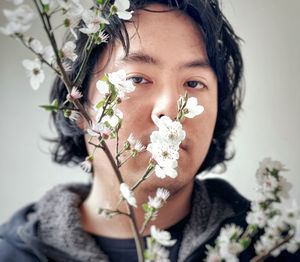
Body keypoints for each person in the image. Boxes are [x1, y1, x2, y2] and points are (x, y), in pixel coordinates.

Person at [0, 0, 299, 261]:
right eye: (137, 80)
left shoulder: (273, 248)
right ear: (77, 104)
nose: (169, 110)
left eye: (194, 83)